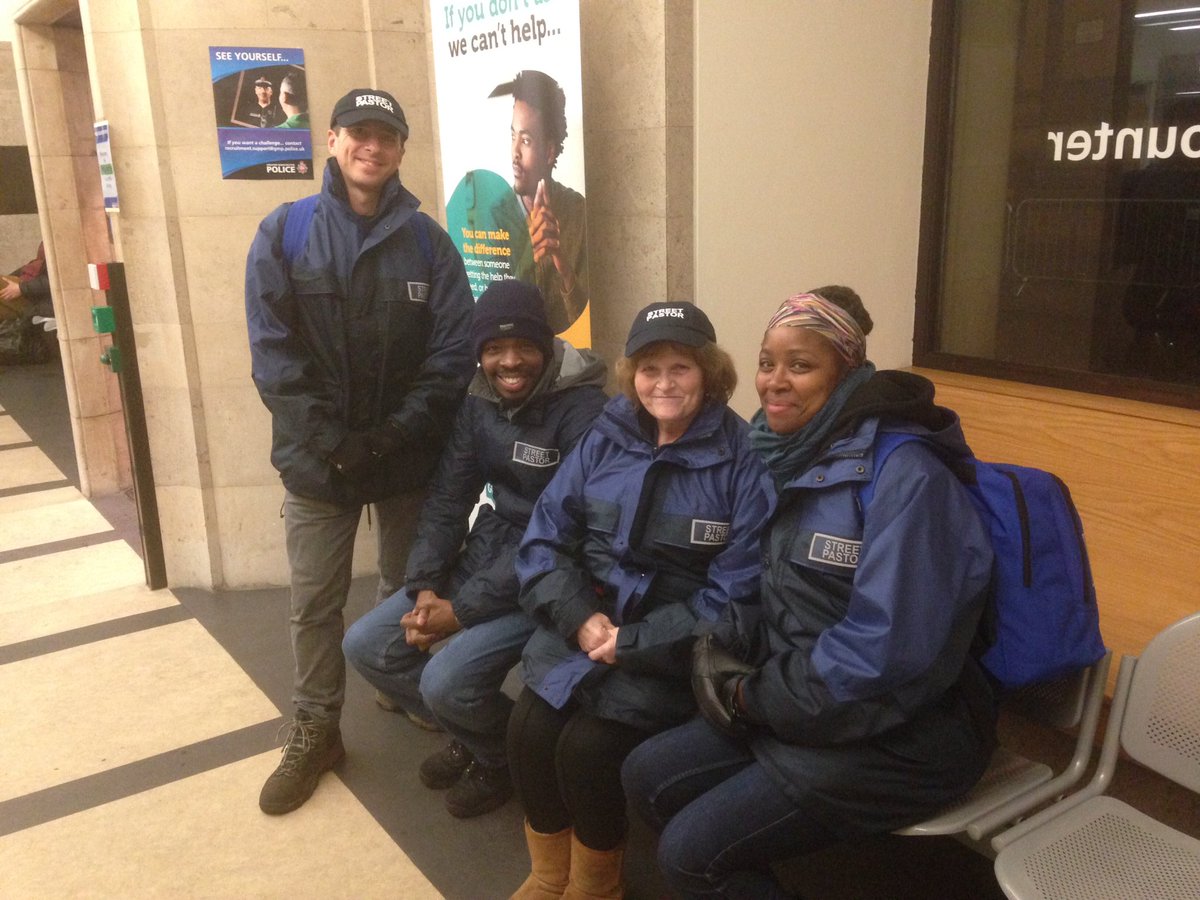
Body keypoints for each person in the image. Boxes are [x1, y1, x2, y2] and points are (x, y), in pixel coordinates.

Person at [620, 287, 998, 899]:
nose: (774, 382)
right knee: (646, 774)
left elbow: (886, 651)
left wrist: (754, 696)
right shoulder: (784, 457)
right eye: (768, 363)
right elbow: (765, 585)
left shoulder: (908, 478)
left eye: (801, 365)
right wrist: (723, 648)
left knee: (690, 856)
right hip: (810, 707)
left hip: (906, 735)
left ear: (848, 372)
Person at [245, 87, 475, 816]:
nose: (371, 147)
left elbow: (451, 352)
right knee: (315, 601)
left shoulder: (428, 242)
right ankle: (316, 726)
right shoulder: (285, 231)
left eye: (387, 136)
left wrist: (390, 436)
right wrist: (334, 441)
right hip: (319, 464)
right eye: (358, 133)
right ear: (335, 141)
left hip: (405, 456)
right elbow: (273, 354)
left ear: (402, 150)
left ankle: (393, 678)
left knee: (408, 585)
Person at [506, 302, 774, 899]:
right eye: (650, 369)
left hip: (668, 651)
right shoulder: (605, 436)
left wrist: (633, 643)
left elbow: (736, 601)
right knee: (527, 730)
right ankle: (550, 878)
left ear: (709, 373)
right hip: (584, 623)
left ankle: (597, 888)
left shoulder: (743, 461)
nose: (663, 383)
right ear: (632, 375)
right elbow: (545, 540)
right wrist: (579, 620)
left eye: (680, 367)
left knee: (585, 751)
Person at [342, 278, 608, 819]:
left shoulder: (586, 415)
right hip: (491, 550)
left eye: (524, 347)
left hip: (553, 578)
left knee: (446, 680)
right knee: (366, 644)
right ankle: (479, 735)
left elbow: (560, 535)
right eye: (493, 349)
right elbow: (447, 496)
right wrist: (425, 587)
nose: (509, 361)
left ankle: (500, 758)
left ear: (547, 347)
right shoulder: (478, 399)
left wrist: (459, 612)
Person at [491, 70, 587, 334]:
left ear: (549, 152)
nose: (515, 154)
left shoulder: (578, 212)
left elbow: (584, 320)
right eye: (513, 137)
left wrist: (560, 262)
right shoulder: (495, 215)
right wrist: (530, 252)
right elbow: (494, 315)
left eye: (526, 140)